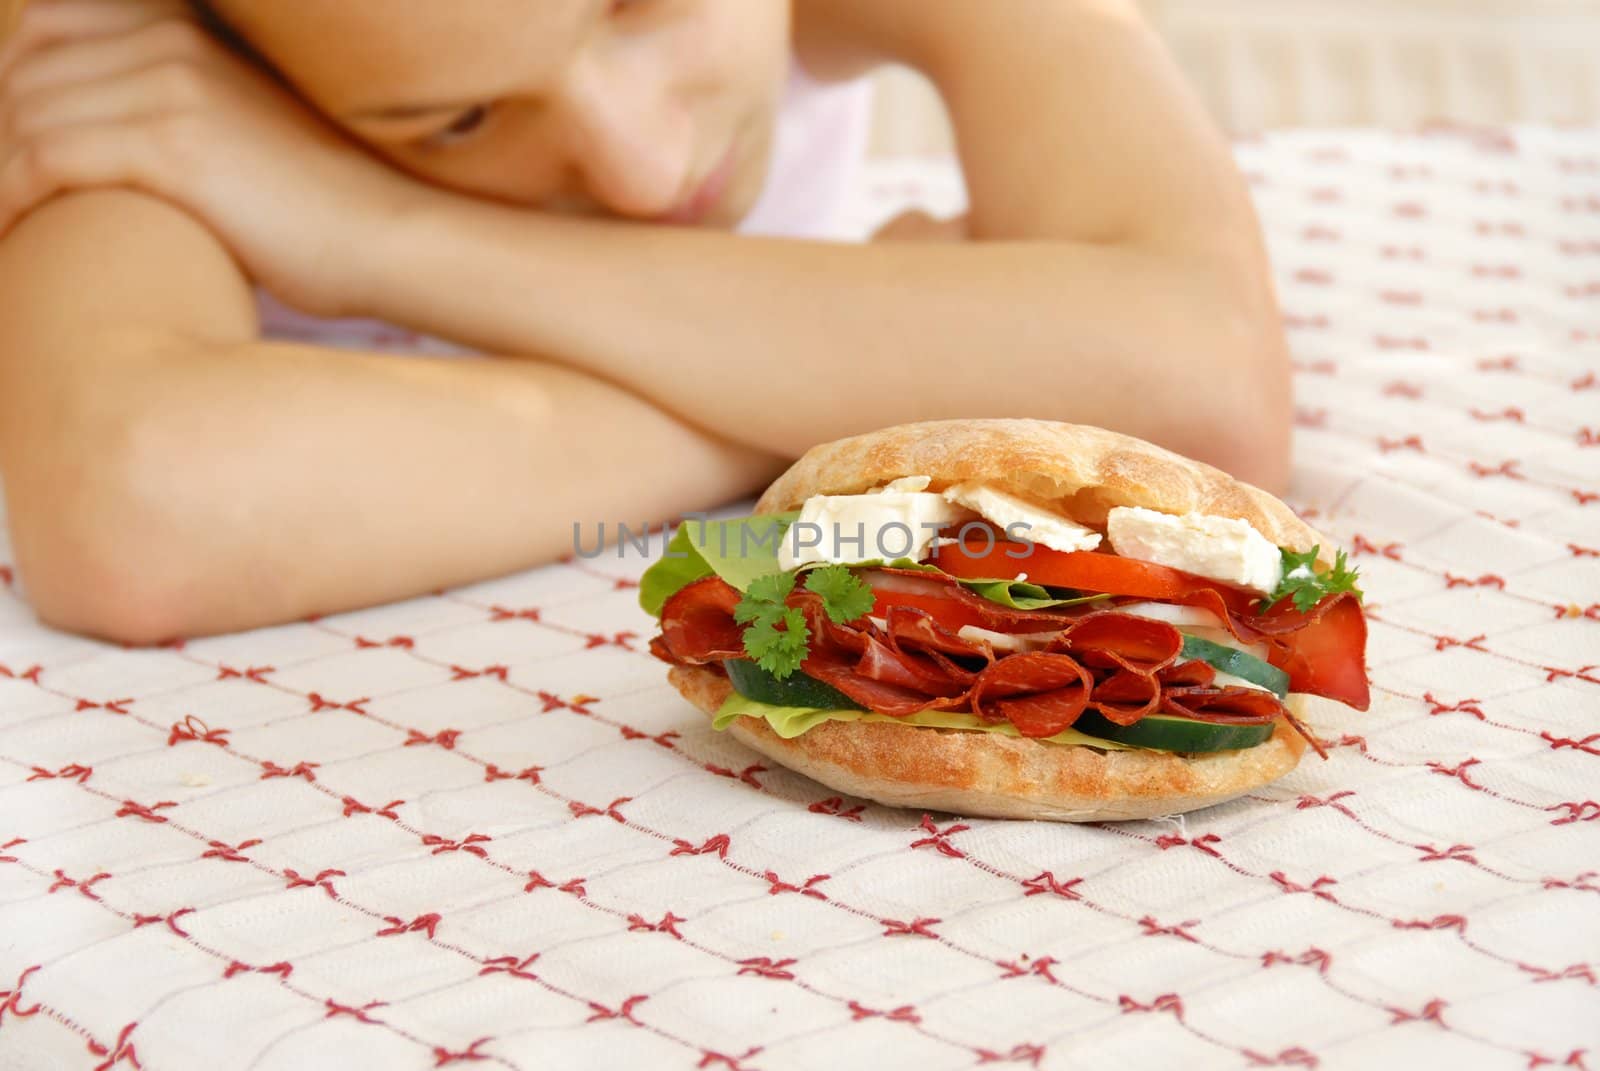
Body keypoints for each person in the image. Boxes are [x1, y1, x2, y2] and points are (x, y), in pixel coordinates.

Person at [0, 0, 1290, 646]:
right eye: (453, 123)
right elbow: (137, 517)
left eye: (638, 0)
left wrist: (380, 233)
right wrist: (856, 390)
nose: (639, 166)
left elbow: (1205, 384)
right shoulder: (140, 68)